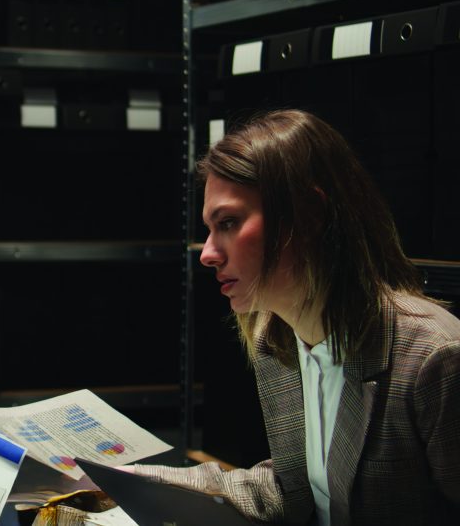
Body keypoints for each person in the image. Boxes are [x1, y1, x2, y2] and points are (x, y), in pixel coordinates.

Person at [132, 109, 460, 525]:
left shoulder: (436, 358)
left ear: (308, 215)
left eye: (229, 223)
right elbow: (297, 488)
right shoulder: (278, 336)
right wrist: (119, 485)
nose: (209, 253)